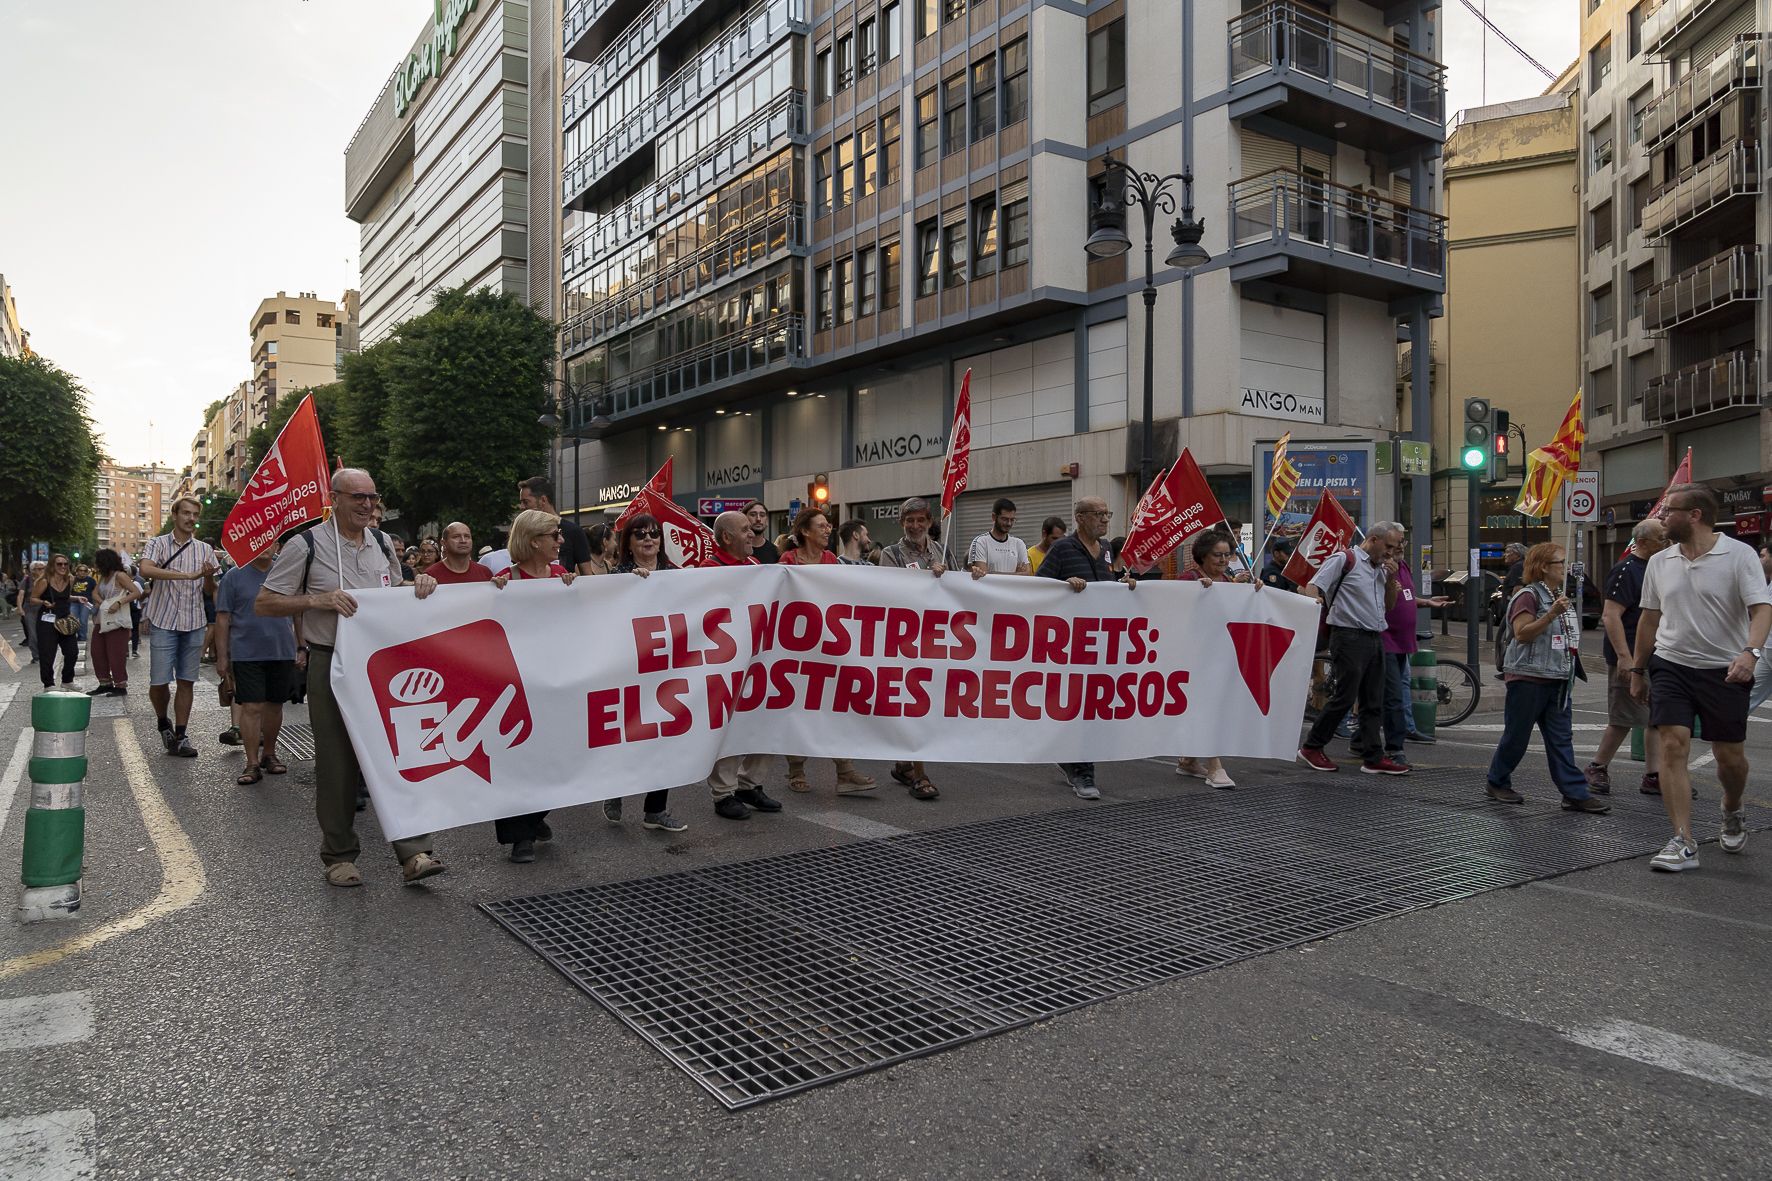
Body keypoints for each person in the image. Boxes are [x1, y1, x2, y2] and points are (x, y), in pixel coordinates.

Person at [258, 468, 447, 888]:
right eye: (358, 497)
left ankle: (414, 851)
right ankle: (339, 855)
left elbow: (395, 591)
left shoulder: (382, 543)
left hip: (382, 663)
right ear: (335, 498)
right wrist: (317, 599)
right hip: (331, 660)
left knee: (398, 752)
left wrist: (420, 583)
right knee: (337, 760)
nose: (367, 505)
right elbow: (266, 602)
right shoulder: (304, 545)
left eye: (372, 498)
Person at [1632, 483, 1772, 872]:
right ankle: (1683, 840)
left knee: (1731, 759)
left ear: (1694, 515)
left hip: (1725, 669)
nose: (1661, 517)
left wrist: (1750, 652)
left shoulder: (1739, 555)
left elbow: (1762, 610)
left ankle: (1732, 807)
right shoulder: (1660, 562)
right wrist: (1638, 669)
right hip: (1671, 663)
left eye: (1667, 511)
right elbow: (1649, 618)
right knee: (1672, 746)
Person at [1484, 543, 1609, 812]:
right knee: (1517, 736)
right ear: (1543, 567)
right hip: (1529, 677)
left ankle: (1574, 792)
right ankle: (1497, 780)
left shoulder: (1555, 594)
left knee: (1560, 738)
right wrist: (1551, 614)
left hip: (1558, 677)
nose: (1565, 568)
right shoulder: (1529, 596)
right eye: (1560, 563)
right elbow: (1522, 633)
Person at [488, 508, 580, 862]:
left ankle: (536, 813)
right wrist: (493, 595)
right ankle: (520, 836)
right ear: (533, 541)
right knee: (520, 759)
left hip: (557, 681)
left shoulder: (562, 575)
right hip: (518, 683)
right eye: (554, 535)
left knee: (558, 756)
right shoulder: (505, 580)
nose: (561, 540)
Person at [595, 513, 692, 832]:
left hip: (666, 668)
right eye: (640, 535)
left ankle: (656, 810)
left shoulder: (676, 575)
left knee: (665, 736)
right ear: (629, 543)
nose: (649, 539)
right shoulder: (619, 576)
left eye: (654, 534)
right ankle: (614, 788)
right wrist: (629, 587)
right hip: (628, 669)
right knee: (629, 734)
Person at [1037, 496, 1138, 799]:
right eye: (1098, 514)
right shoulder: (1063, 548)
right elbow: (1040, 584)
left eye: (1107, 514)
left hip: (1102, 640)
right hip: (1071, 641)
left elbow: (1103, 587)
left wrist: (1124, 585)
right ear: (1080, 518)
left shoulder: (1106, 550)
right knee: (1081, 707)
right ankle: (1083, 772)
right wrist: (1065, 583)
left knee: (1091, 705)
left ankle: (1072, 761)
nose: (1105, 520)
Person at [774, 507, 877, 797]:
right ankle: (796, 768)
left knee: (835, 705)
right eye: (821, 525)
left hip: (828, 643)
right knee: (797, 707)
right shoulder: (788, 560)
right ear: (805, 531)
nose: (828, 529)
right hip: (796, 645)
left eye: (828, 525)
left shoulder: (831, 559)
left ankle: (844, 770)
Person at [1298, 523, 1410, 776]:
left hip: (1374, 636)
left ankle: (1373, 757)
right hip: (1348, 636)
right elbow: (1315, 585)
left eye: (1396, 547)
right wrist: (1313, 601)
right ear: (1373, 539)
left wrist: (1391, 578)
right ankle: (1312, 746)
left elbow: (1389, 605)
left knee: (1373, 700)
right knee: (1346, 696)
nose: (1392, 553)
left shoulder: (1381, 568)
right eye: (1389, 546)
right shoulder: (1345, 559)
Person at [702, 510, 783, 821]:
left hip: (758, 657)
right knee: (733, 725)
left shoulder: (753, 566)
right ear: (726, 538)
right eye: (746, 530)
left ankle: (750, 783)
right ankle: (724, 793)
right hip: (728, 661)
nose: (753, 534)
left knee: (766, 719)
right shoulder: (708, 570)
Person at [877, 497, 955, 800]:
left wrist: (950, 576)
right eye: (909, 520)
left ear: (929, 521)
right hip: (903, 642)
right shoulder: (890, 553)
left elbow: (961, 593)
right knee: (915, 703)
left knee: (921, 704)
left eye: (920, 520)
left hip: (935, 640)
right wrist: (925, 579)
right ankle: (920, 776)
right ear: (901, 523)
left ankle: (903, 763)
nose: (915, 526)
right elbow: (888, 592)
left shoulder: (943, 551)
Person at [1586, 519, 1669, 795]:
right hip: (1633, 655)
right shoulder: (1626, 570)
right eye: (1662, 539)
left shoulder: (1659, 568)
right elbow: (1611, 616)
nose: (1667, 543)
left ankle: (1654, 775)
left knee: (1655, 717)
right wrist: (1625, 657)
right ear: (1643, 542)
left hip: (1656, 654)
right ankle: (1597, 767)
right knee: (1623, 716)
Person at [139, 496, 219, 757]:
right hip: (164, 621)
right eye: (186, 513)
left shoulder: (204, 550)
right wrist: (186, 576)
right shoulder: (158, 543)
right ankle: (163, 721)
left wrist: (207, 578)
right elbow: (146, 570)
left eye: (195, 514)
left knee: (187, 681)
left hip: (194, 622)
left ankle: (182, 735)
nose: (191, 519)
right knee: (159, 681)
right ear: (175, 515)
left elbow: (209, 590)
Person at [215, 542, 300, 786]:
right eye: (260, 539)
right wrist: (222, 656)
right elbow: (222, 617)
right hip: (246, 653)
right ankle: (251, 762)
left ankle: (269, 754)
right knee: (252, 707)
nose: (266, 546)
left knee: (275, 706)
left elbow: (298, 613)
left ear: (278, 546)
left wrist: (301, 646)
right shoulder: (233, 576)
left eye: (271, 540)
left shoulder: (286, 574)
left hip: (281, 651)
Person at [1174, 531, 1249, 789]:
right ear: (1202, 556)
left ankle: (1189, 761)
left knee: (1212, 708)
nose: (1224, 559)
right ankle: (1214, 765)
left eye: (1227, 554)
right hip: (1196, 657)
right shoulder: (1189, 579)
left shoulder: (1227, 579)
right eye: (1218, 555)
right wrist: (1196, 593)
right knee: (1209, 709)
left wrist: (1253, 592)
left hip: (1222, 654)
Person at [1380, 538, 1449, 763]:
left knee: (1398, 690)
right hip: (1386, 639)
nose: (1399, 547)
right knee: (1392, 696)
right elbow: (1386, 602)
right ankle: (1394, 748)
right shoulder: (1382, 568)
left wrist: (1428, 602)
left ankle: (1374, 737)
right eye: (1394, 543)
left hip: (1403, 642)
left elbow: (1406, 598)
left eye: (1403, 541)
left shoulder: (1403, 566)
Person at [86, 548, 141, 697]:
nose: (95, 564)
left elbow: (136, 592)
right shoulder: (104, 577)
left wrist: (118, 603)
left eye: (97, 561)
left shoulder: (120, 576)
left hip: (117, 620)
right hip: (102, 619)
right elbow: (94, 593)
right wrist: (104, 603)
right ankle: (104, 683)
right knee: (97, 652)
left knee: (115, 653)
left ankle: (120, 685)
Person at [519, 476, 596, 574]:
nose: (521, 507)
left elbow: (587, 575)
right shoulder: (524, 531)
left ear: (543, 500)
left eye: (526, 502)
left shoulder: (573, 531)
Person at [27, 554, 81, 691]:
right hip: (47, 620)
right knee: (47, 654)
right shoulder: (44, 581)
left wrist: (77, 598)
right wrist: (43, 602)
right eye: (59, 564)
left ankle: (67, 680)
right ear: (52, 565)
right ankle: (48, 684)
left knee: (72, 651)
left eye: (65, 564)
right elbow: (33, 598)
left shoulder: (70, 579)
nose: (63, 566)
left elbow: (65, 597)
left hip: (65, 620)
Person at [968, 498, 1032, 577]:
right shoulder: (981, 542)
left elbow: (1028, 574)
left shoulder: (1019, 543)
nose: (1009, 523)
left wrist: (992, 573)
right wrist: (1016, 574)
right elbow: (983, 576)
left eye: (1012, 520)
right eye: (1005, 519)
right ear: (994, 517)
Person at [426, 521, 495, 585]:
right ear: (444, 543)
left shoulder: (485, 573)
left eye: (467, 536)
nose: (463, 540)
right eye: (456, 537)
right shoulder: (430, 576)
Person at [16, 560, 43, 664]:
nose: (42, 570)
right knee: (33, 634)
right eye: (39, 569)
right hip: (30, 609)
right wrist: (20, 608)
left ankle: (45, 654)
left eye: (43, 568)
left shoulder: (47, 579)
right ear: (33, 570)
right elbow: (21, 595)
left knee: (45, 633)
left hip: (44, 609)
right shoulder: (27, 580)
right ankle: (36, 656)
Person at [742, 499, 780, 564]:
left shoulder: (776, 552)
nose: (758, 519)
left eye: (762, 515)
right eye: (753, 515)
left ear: (767, 521)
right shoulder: (736, 550)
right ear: (744, 518)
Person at [69, 563, 96, 643]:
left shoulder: (91, 580)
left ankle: (82, 636)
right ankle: (72, 635)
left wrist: (95, 603)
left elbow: (95, 592)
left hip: (86, 603)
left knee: (83, 620)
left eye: (85, 570)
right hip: (74, 602)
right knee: (73, 619)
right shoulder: (73, 579)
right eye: (80, 570)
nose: (82, 572)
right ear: (77, 571)